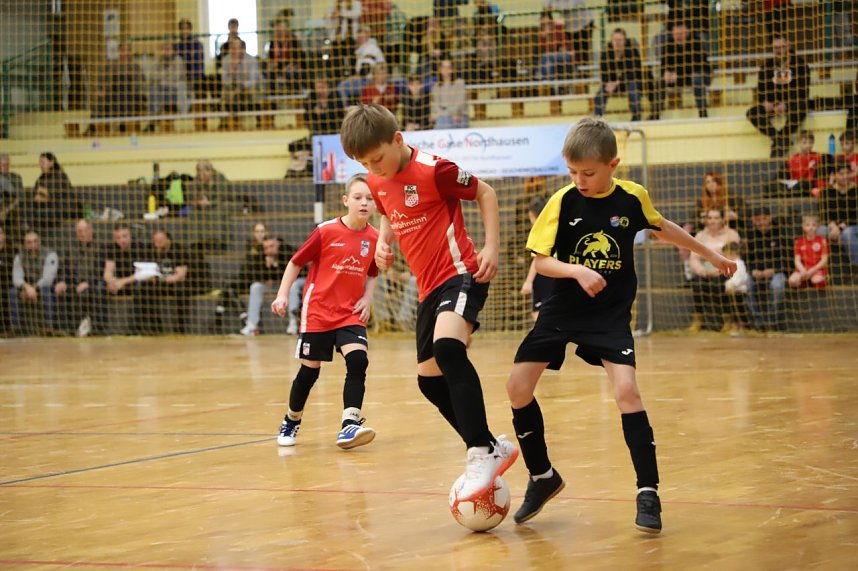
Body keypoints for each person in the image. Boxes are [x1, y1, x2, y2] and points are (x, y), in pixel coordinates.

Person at [504, 117, 737, 533]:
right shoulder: (562, 201)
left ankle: (648, 492)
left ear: (613, 164)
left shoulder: (633, 198)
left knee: (627, 390)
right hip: (562, 310)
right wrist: (576, 271)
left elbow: (664, 228)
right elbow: (540, 261)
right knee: (517, 387)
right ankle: (542, 478)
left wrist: (713, 256)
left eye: (589, 173)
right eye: (573, 172)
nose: (580, 180)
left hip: (609, 315)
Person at [340, 103, 519, 501]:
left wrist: (492, 246)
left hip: (461, 272)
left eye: (378, 158)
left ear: (397, 140)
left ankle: (478, 452)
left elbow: (485, 193)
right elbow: (387, 210)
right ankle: (491, 445)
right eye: (366, 163)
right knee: (428, 381)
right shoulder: (378, 177)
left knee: (448, 349)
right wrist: (384, 243)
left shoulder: (435, 169)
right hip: (428, 287)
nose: (375, 169)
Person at [271, 174, 379, 449]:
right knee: (310, 373)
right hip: (318, 311)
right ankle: (291, 420)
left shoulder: (375, 238)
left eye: (369, 198)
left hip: (350, 313)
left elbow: (373, 272)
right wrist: (282, 295)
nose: (364, 203)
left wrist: (367, 298)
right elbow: (295, 263)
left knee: (358, 361)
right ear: (346, 201)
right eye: (357, 197)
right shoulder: (326, 231)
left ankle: (349, 425)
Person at [746, 34, 810, 158]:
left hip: (793, 104)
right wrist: (765, 102)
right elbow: (760, 90)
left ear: (789, 46)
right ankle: (781, 139)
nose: (778, 51)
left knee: (802, 106)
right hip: (772, 105)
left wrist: (786, 105)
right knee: (752, 113)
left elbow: (804, 91)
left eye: (782, 47)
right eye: (775, 48)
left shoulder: (801, 65)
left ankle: (780, 140)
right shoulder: (766, 66)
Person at [688, 208, 741, 332]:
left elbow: (733, 256)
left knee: (719, 284)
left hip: (725, 271)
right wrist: (701, 270)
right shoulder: (700, 235)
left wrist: (719, 271)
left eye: (716, 218)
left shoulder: (731, 234)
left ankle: (728, 321)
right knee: (697, 284)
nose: (712, 221)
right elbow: (694, 258)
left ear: (722, 219)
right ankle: (697, 320)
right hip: (705, 271)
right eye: (710, 218)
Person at [649, 21, 711, 120]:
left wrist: (677, 74)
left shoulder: (696, 42)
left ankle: (703, 114)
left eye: (681, 34)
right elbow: (664, 65)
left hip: (699, 75)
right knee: (659, 83)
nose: (678, 37)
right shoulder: (668, 45)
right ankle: (655, 115)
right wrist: (666, 74)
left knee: (696, 78)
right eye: (676, 34)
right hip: (678, 78)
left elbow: (698, 66)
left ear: (687, 33)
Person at [744, 206, 792, 331]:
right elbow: (745, 259)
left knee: (777, 286)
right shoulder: (749, 235)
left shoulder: (781, 233)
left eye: (764, 219)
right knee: (744, 285)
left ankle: (772, 321)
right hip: (755, 273)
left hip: (778, 271)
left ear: (770, 218)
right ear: (754, 220)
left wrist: (774, 270)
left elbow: (788, 259)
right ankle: (758, 322)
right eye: (758, 219)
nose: (761, 222)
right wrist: (753, 270)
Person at [134, 230, 191, 335]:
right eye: (156, 241)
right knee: (145, 288)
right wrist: (151, 278)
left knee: (181, 288)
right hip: (159, 283)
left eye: (161, 240)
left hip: (175, 283)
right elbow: (145, 271)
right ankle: (153, 328)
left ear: (168, 240)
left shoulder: (178, 250)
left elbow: (181, 275)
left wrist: (161, 279)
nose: (158, 243)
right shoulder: (150, 250)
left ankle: (181, 328)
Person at [55, 219, 102, 337]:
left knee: (85, 292)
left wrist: (88, 283)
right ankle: (65, 330)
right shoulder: (71, 248)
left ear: (91, 231)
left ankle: (86, 328)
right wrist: (61, 281)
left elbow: (101, 271)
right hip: (73, 283)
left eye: (85, 230)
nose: (82, 233)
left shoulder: (100, 248)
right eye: (79, 231)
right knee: (61, 290)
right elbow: (63, 268)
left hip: (92, 284)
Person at [11, 230, 60, 335]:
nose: (33, 244)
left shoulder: (50, 254)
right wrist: (26, 287)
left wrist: (34, 288)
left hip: (45, 285)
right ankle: (15, 328)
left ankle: (49, 327)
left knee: (46, 290)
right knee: (13, 292)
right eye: (29, 242)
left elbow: (48, 278)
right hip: (28, 286)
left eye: (35, 241)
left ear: (39, 242)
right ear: (24, 244)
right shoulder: (19, 256)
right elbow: (16, 278)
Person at [239, 234, 289, 336]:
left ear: (277, 245)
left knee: (294, 286)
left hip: (284, 286)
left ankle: (293, 325)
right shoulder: (260, 256)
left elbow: (290, 274)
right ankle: (251, 325)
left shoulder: (286, 252)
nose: (269, 250)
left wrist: (275, 266)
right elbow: (254, 276)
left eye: (272, 246)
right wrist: (267, 267)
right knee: (255, 287)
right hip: (268, 286)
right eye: (266, 247)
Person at [593, 28, 644, 121]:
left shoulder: (632, 52)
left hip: (628, 82)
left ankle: (636, 117)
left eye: (620, 40)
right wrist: (608, 83)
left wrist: (618, 82)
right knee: (600, 94)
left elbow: (635, 72)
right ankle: (597, 119)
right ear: (611, 41)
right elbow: (603, 73)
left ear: (625, 41)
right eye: (615, 40)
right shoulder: (606, 54)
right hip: (612, 84)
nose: (617, 43)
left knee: (633, 89)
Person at [818, 159, 858, 275]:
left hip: (852, 226)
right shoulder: (826, 192)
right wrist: (833, 226)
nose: (845, 176)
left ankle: (856, 267)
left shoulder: (856, 190)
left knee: (848, 233)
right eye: (841, 174)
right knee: (820, 231)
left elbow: (856, 214)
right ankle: (819, 269)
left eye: (847, 173)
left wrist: (840, 229)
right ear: (834, 175)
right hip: (833, 226)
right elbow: (824, 213)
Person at [519, 196, 553, 322]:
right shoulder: (554, 228)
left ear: (532, 214)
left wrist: (528, 282)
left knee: (538, 313)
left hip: (544, 275)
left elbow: (538, 259)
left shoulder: (540, 231)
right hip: (558, 273)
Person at [788, 215, 828, 288]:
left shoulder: (822, 240)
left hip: (817, 269)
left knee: (818, 282)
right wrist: (803, 270)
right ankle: (804, 282)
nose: (811, 227)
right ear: (803, 227)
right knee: (792, 281)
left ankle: (816, 279)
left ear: (818, 226)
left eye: (813, 225)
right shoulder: (799, 241)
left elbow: (824, 260)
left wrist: (811, 270)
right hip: (803, 269)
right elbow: (797, 260)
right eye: (807, 225)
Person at [721, 241, 749, 336]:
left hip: (739, 291)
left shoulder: (739, 263)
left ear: (733, 253)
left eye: (725, 255)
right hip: (733, 291)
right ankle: (735, 326)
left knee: (739, 309)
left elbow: (740, 277)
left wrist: (732, 284)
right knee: (733, 309)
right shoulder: (732, 264)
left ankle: (741, 327)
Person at [173, 19, 206, 98]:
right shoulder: (176, 45)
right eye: (182, 29)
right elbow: (178, 61)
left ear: (190, 30)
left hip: (196, 75)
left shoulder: (197, 44)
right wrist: (189, 56)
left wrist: (185, 57)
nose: (184, 31)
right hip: (180, 76)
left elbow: (197, 62)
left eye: (186, 28)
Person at [430, 59, 468, 129]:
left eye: (449, 67)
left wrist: (444, 113)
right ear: (440, 69)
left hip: (458, 115)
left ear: (452, 69)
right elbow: (436, 105)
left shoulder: (460, 83)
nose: (446, 70)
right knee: (442, 120)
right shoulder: (436, 86)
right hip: (442, 116)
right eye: (444, 67)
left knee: (444, 120)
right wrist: (441, 114)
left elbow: (460, 103)